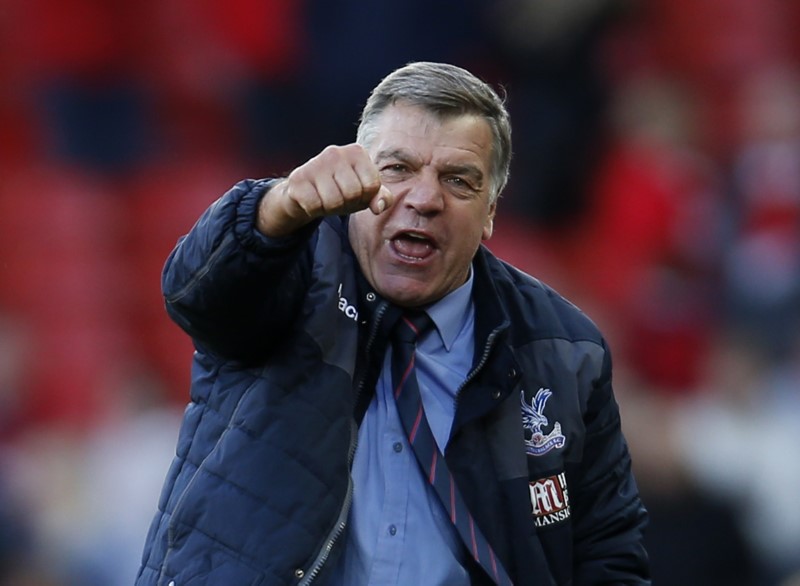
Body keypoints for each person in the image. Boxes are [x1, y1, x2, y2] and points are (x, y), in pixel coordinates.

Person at [135, 61, 650, 586]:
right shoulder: (287, 268)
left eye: (458, 180)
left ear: (491, 211)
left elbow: (607, 550)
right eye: (398, 169)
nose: (424, 200)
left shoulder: (563, 351)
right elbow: (197, 295)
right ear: (358, 176)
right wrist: (273, 211)